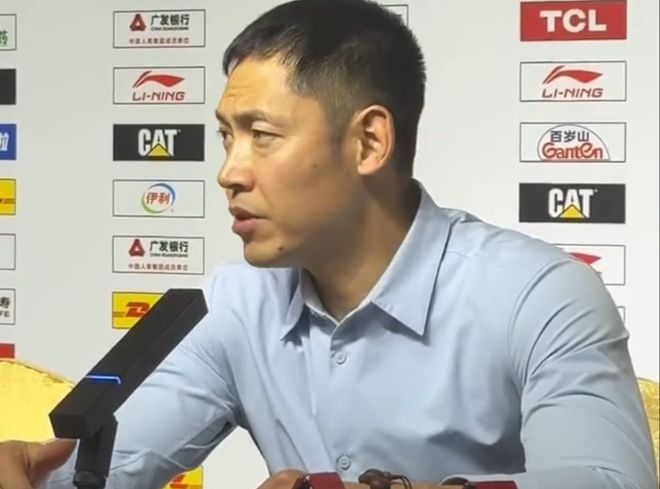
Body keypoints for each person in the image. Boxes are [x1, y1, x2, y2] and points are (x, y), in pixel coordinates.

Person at [1, 0, 657, 488]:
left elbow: (607, 481)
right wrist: (29, 474)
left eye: (261, 135)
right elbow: (104, 470)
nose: (229, 171)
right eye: (227, 136)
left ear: (369, 142)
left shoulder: (538, 294)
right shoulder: (234, 304)